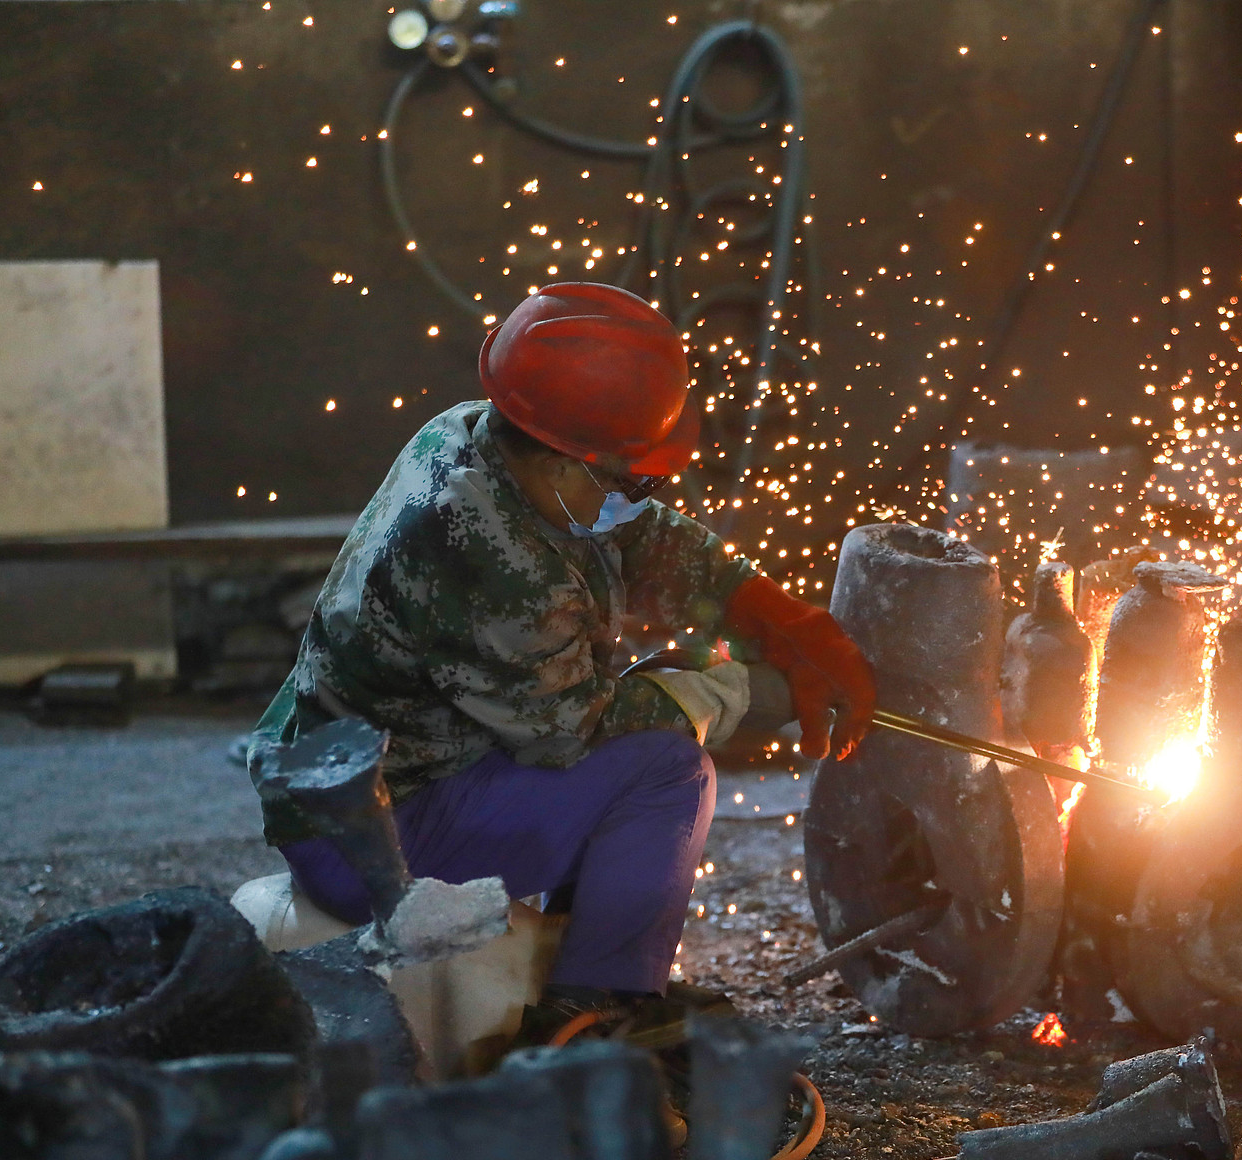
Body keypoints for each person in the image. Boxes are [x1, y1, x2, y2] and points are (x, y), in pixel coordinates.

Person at [246, 282, 874, 1044]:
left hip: (360, 781)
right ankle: (597, 1008)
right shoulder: (494, 558)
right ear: (565, 459)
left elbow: (638, 537)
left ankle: (586, 969)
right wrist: (742, 690)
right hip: (366, 838)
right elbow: (573, 728)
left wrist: (766, 609)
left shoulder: (476, 436)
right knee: (667, 771)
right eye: (636, 480)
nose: (645, 497)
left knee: (656, 716)